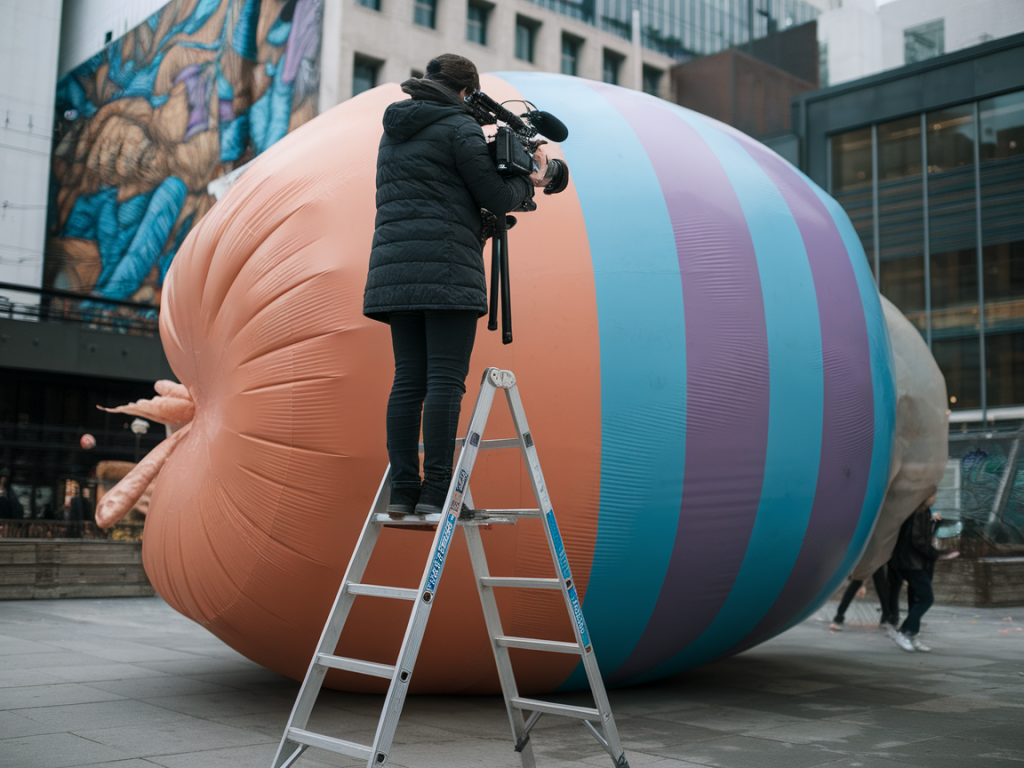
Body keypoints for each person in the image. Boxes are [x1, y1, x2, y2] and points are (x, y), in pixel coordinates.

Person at [363, 54, 550, 517]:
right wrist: (533, 180)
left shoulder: (395, 128)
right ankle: (439, 494)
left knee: (408, 381)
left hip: (393, 271)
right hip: (446, 268)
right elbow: (494, 195)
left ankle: (405, 493)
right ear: (467, 92)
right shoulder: (459, 126)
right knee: (445, 381)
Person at [887, 496, 942, 652]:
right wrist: (935, 553)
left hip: (919, 562)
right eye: (933, 495)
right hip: (911, 562)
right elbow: (918, 540)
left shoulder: (925, 512)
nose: (934, 498)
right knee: (926, 598)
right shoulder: (915, 512)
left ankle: (912, 633)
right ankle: (904, 631)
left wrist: (935, 524)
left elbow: (924, 536)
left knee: (915, 598)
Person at [829, 565, 893, 631]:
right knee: (879, 584)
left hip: (867, 560)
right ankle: (886, 615)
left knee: (858, 582)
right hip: (874, 559)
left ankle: (840, 614)